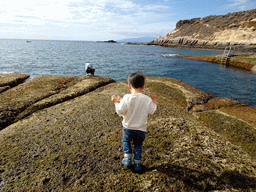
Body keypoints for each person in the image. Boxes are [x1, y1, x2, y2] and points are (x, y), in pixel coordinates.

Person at [111, 72, 157, 172]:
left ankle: (127, 158)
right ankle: (137, 163)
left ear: (129, 86)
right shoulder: (147, 99)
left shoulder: (126, 97)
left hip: (128, 128)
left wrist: (116, 102)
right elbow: (154, 111)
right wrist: (154, 100)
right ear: (143, 86)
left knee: (126, 141)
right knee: (138, 145)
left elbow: (120, 111)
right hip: (141, 129)